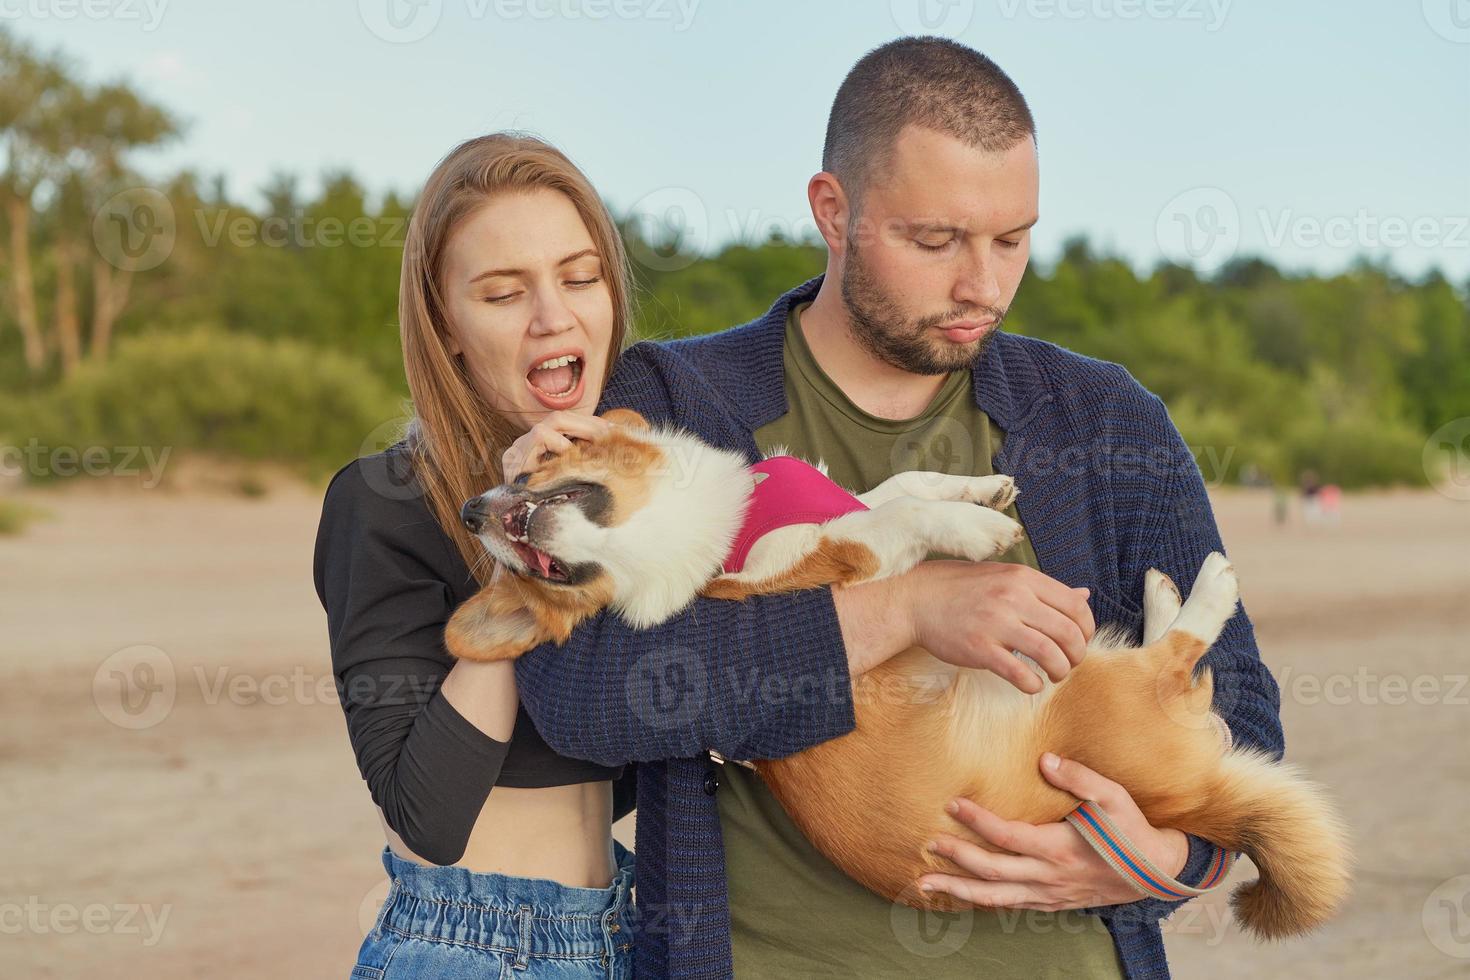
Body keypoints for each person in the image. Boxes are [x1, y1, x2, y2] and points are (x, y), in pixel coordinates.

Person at [510, 37, 1285, 978]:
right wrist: (907, 609)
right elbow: (588, 698)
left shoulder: (1099, 417)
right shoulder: (678, 401)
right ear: (832, 212)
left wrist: (1162, 861)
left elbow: (1240, 707)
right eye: (935, 241)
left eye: (1013, 239)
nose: (984, 287)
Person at [313, 134, 643, 978]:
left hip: (628, 932)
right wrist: (517, 547)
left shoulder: (621, 507)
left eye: (579, 277)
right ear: (446, 326)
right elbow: (429, 811)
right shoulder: (381, 502)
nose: (553, 315)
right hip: (469, 944)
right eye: (503, 293)